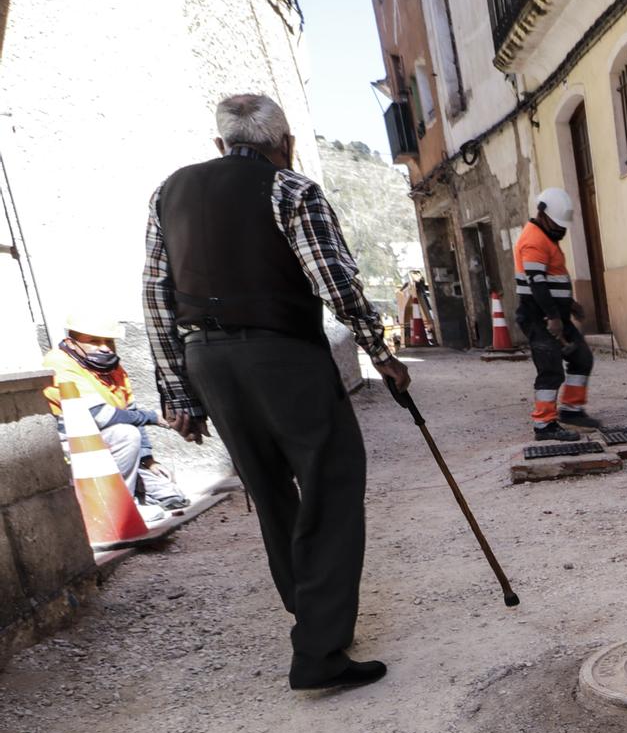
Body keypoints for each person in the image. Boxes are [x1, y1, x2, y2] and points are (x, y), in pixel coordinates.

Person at [142, 93, 411, 692]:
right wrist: (382, 352)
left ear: (220, 145)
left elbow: (156, 297)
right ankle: (319, 651)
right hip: (282, 354)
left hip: (207, 358)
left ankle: (315, 625)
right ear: (284, 142)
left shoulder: (169, 192)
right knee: (332, 481)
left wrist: (177, 394)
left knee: (268, 491)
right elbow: (335, 281)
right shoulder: (290, 189)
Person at [41, 313, 189, 512]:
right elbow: (99, 416)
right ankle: (121, 510)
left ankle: (139, 490)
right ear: (72, 342)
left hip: (106, 443)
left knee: (171, 494)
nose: (104, 347)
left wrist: (148, 460)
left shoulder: (111, 366)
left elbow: (130, 410)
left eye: (109, 341)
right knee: (125, 435)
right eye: (94, 341)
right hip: (74, 448)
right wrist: (153, 417)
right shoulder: (59, 363)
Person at [513, 188, 597, 441]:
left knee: (581, 358)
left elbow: (551, 279)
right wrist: (554, 317)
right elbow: (536, 283)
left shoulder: (546, 238)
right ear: (542, 214)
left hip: (554, 314)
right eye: (558, 224)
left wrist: (568, 304)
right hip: (539, 317)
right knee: (550, 370)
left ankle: (571, 411)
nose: (562, 230)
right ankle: (544, 426)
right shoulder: (534, 240)